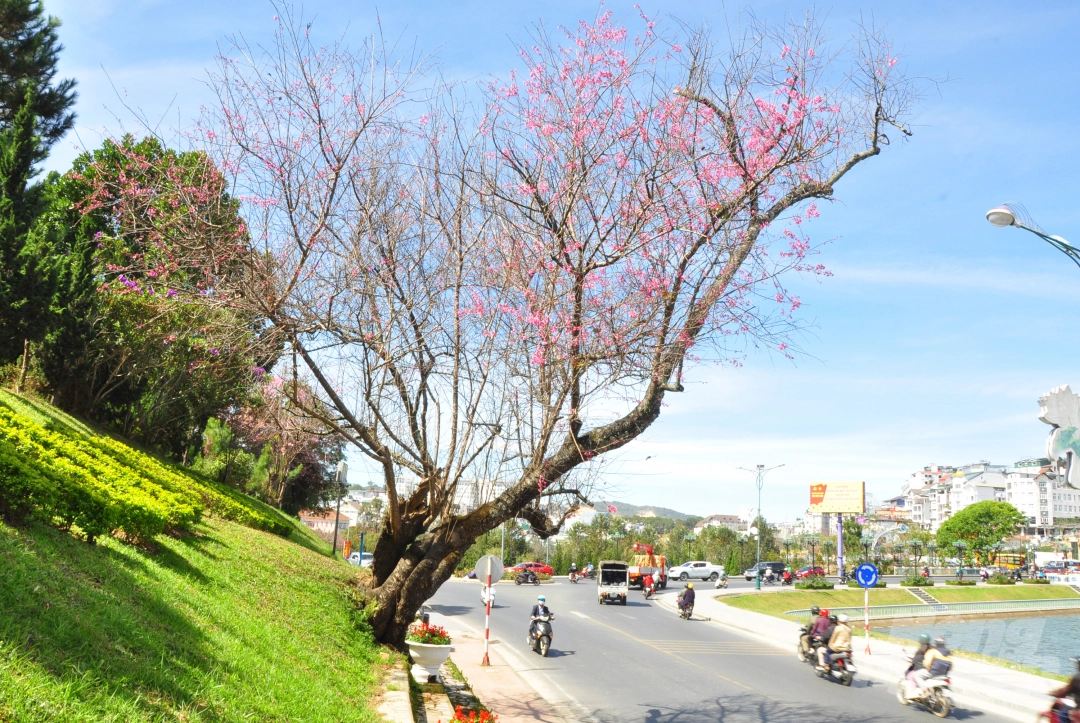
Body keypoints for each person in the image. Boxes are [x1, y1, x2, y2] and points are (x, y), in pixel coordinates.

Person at [1048, 657, 1080, 723]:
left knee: (1063, 713)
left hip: (1078, 710)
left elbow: (1065, 690)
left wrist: (1053, 692)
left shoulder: (1077, 678)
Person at [903, 634, 932, 698]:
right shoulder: (931, 649)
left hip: (921, 670)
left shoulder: (920, 651)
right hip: (931, 670)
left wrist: (907, 659)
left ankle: (912, 693)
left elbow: (914, 661)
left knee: (909, 676)